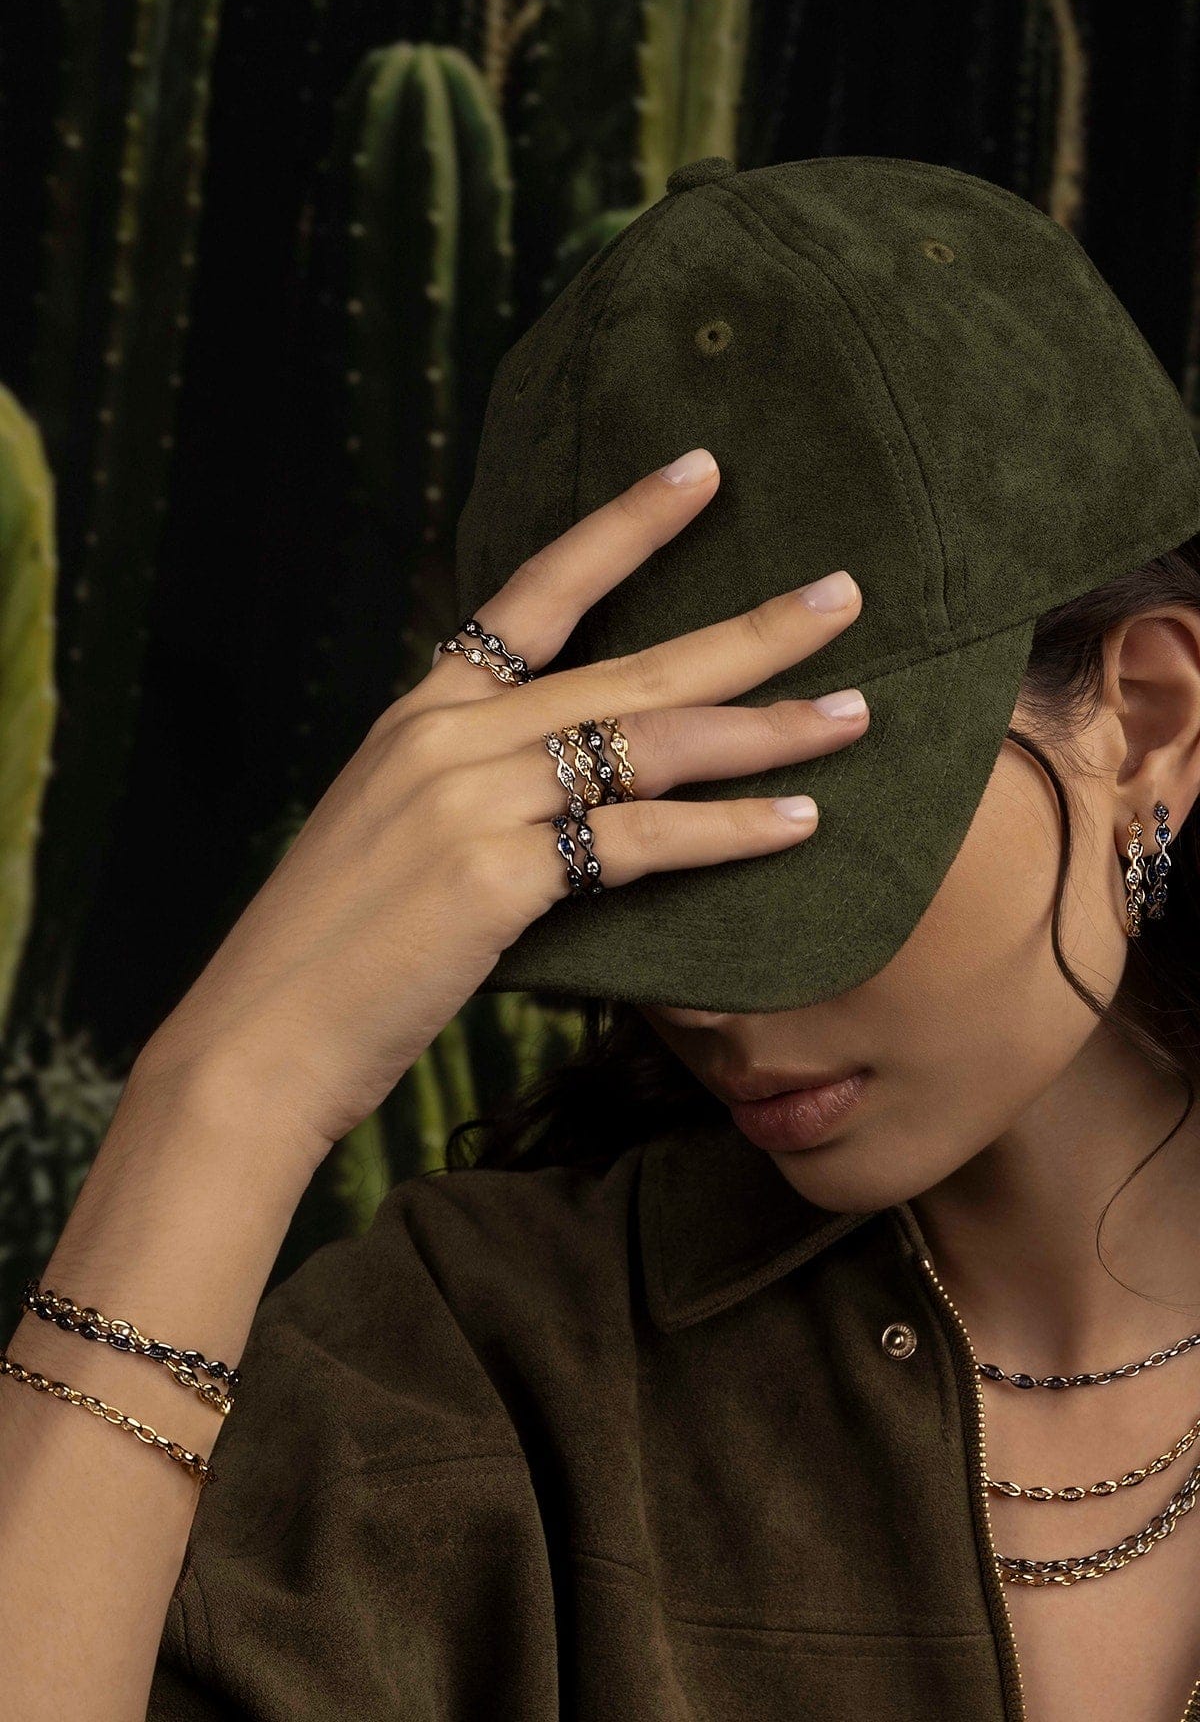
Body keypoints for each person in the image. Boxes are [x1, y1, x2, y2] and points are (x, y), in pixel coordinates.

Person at [3, 153, 1200, 1722]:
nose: (701, 999)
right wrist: (225, 1093)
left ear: (1152, 719)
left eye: (783, 807)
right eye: (619, 851)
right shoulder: (484, 1371)